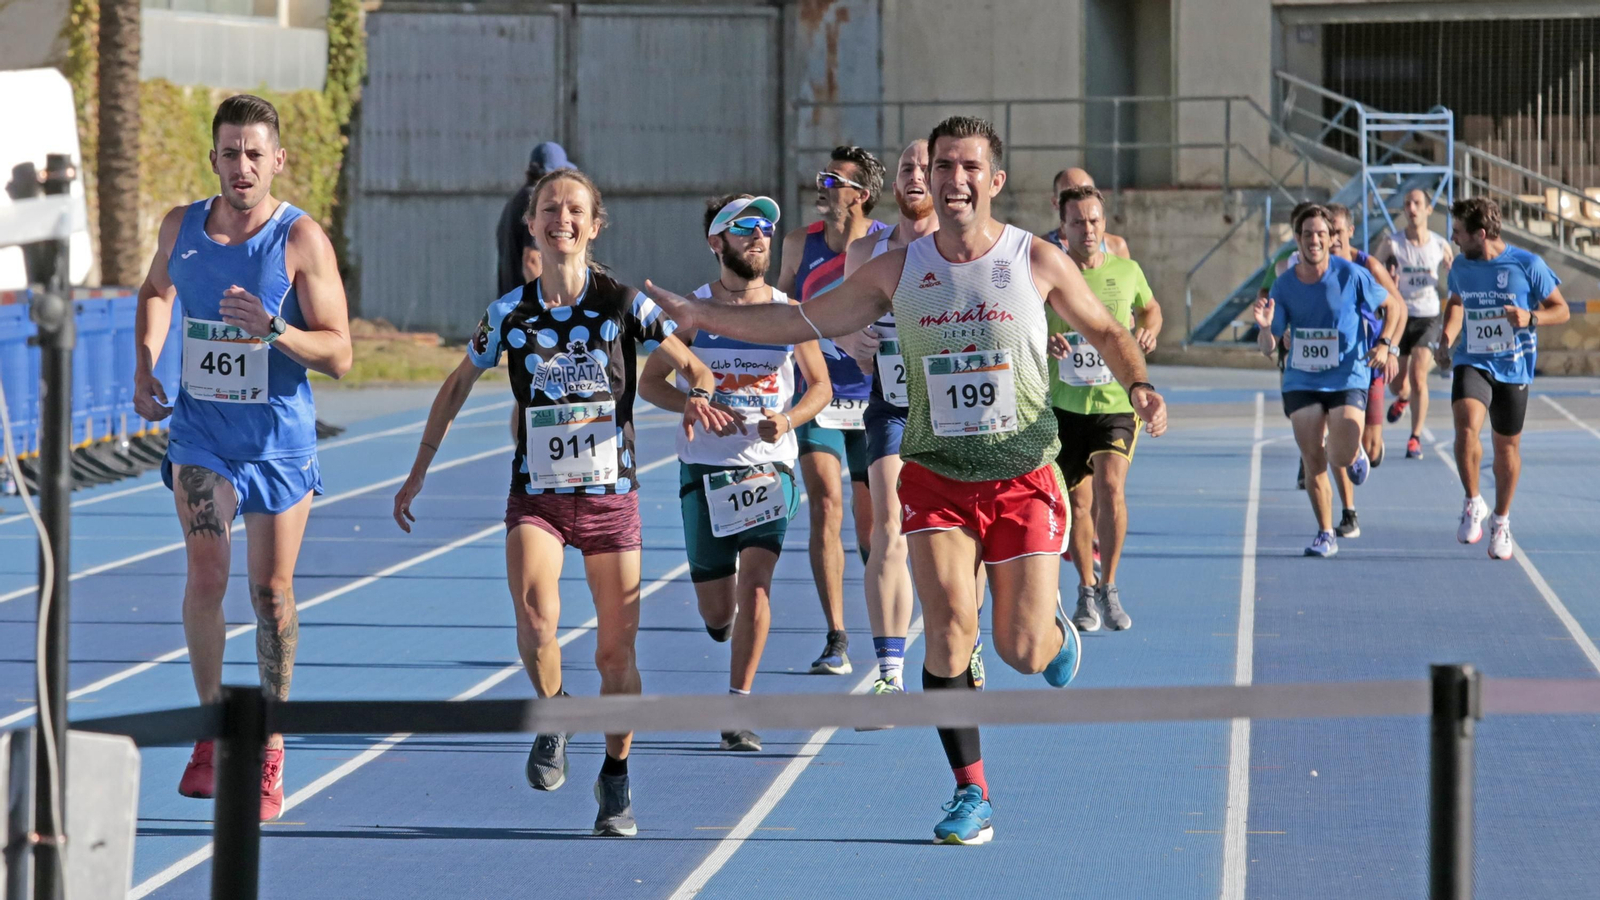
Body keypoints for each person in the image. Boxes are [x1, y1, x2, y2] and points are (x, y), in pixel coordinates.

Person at [643, 116, 1168, 845]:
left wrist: (1138, 384)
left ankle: (1048, 633)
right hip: (936, 476)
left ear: (995, 180)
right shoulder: (898, 269)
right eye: (944, 165)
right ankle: (970, 794)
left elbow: (1108, 332)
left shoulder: (1034, 259)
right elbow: (803, 321)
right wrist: (704, 314)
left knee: (1019, 651)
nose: (954, 179)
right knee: (949, 637)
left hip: (1021, 473)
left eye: (968, 167)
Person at [392, 168, 733, 837]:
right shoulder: (509, 314)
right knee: (535, 615)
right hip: (539, 498)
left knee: (616, 657)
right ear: (532, 225)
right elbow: (457, 385)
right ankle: (554, 711)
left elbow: (695, 366)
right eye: (549, 209)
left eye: (574, 209)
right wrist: (418, 469)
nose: (561, 220)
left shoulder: (623, 304)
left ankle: (615, 775)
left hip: (610, 499)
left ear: (595, 224)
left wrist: (699, 392)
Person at [132, 94, 354, 821]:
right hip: (202, 434)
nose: (242, 166)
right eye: (230, 152)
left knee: (271, 594)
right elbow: (155, 290)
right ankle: (212, 730)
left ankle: (268, 744)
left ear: (277, 160)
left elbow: (342, 354)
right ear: (215, 159)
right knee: (206, 569)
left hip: (279, 444)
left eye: (255, 153)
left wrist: (274, 329)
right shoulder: (182, 227)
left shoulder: (301, 240)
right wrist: (145, 361)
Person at [638, 194, 831, 752]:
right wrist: (691, 406)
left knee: (759, 583)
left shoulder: (787, 311)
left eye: (768, 226)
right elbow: (651, 383)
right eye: (746, 227)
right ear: (716, 241)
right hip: (705, 472)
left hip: (771, 469)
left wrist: (788, 419)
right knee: (718, 609)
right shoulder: (692, 313)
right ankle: (724, 628)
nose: (761, 236)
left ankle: (738, 704)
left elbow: (819, 386)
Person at [837, 139, 988, 698]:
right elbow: (844, 323)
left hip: (959, 407)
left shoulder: (965, 245)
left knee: (966, 534)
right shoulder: (867, 252)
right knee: (888, 528)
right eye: (907, 169)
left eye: (928, 167)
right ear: (893, 186)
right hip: (894, 406)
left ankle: (967, 640)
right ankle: (889, 672)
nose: (918, 176)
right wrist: (850, 335)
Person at [775, 145, 889, 676]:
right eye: (821, 177)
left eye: (834, 180)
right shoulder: (799, 244)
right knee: (825, 505)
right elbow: (776, 306)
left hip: (872, 397)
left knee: (872, 529)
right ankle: (836, 637)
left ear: (861, 194)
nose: (821, 187)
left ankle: (887, 620)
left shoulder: (886, 242)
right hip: (816, 393)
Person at [1253, 204, 1403, 558]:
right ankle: (1325, 532)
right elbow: (1267, 347)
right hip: (1302, 378)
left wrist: (1386, 345)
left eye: (1322, 234)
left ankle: (1353, 452)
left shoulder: (1351, 275)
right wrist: (1264, 328)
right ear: (1298, 240)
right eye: (1308, 235)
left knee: (1340, 452)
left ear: (1331, 237)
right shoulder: (1285, 284)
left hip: (1347, 375)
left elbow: (1394, 307)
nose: (1315, 240)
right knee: (1313, 458)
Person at [1047, 186, 1161, 632]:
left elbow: (1151, 309)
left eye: (1094, 220)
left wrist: (1148, 329)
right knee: (1078, 502)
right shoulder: (1051, 272)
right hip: (1065, 405)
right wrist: (1046, 340)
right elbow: (1027, 323)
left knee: (1111, 487)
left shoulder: (1127, 270)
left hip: (1115, 402)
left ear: (1104, 223)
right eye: (1078, 221)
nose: (1088, 229)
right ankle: (1084, 587)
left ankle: (1109, 587)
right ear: (1064, 227)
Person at [1436, 197, 1568, 559]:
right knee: (1465, 427)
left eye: (1459, 233)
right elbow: (1457, 303)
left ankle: (1502, 520)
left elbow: (1562, 309)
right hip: (1473, 360)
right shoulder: (1461, 266)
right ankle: (1472, 500)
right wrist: (1447, 338)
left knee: (1506, 448)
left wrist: (1531, 318)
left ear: (1480, 234)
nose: (1453, 238)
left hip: (1514, 367)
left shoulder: (1528, 264)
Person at [1378, 188, 1454, 459]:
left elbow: (1454, 274)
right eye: (1407, 203)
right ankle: (1403, 398)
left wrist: (1450, 269)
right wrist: (1386, 278)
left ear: (1428, 210)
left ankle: (1415, 438)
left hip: (1428, 316)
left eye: (1417, 203)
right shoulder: (1392, 243)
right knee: (1397, 383)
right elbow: (1374, 274)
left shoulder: (1439, 245)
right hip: (1399, 316)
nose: (1412, 208)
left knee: (1419, 376)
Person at [495, 141, 573, 296]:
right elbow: (532, 261)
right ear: (553, 173)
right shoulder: (533, 201)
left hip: (511, 309)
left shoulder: (515, 201)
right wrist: (546, 309)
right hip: (526, 313)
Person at [1042, 168, 1131, 258]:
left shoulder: (1115, 246)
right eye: (1069, 196)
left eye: (1087, 193)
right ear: (1055, 202)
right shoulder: (1041, 249)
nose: (1080, 201)